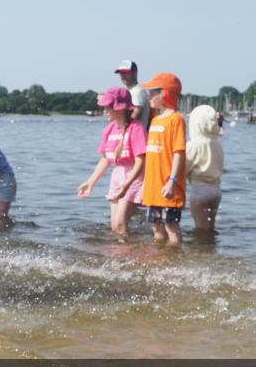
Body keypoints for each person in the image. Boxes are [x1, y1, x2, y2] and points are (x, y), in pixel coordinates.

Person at [76, 87, 147, 237]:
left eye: (108, 107)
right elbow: (106, 159)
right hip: (117, 177)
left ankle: (129, 255)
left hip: (134, 178)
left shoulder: (136, 129)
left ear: (119, 108)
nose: (104, 111)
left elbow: (141, 160)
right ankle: (121, 253)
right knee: (115, 226)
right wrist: (90, 182)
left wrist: (127, 185)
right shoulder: (110, 129)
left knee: (121, 223)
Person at [140, 72, 186, 245]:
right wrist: (146, 181)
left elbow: (178, 152)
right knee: (156, 228)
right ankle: (159, 261)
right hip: (153, 186)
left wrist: (173, 180)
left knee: (171, 226)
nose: (148, 95)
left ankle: (174, 261)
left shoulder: (176, 120)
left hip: (168, 185)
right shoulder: (156, 120)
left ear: (164, 93)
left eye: (152, 92)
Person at [186, 104, 224, 233]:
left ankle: (202, 251)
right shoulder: (217, 144)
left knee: (201, 228)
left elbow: (184, 168)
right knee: (210, 226)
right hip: (216, 191)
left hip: (199, 190)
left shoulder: (194, 145)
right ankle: (211, 249)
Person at [115, 60, 151, 133]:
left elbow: (135, 115)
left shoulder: (137, 92)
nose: (123, 76)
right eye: (121, 73)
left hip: (136, 135)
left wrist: (121, 131)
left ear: (135, 73)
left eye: (126, 73)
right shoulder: (132, 91)